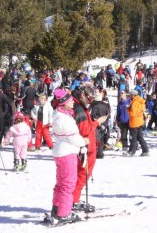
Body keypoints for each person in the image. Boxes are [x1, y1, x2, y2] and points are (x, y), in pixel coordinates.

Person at [49, 88, 86, 225]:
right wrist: (84, 142)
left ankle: (57, 209)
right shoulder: (63, 118)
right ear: (64, 102)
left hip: (62, 151)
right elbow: (72, 136)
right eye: (70, 100)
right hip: (67, 153)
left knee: (61, 183)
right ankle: (63, 213)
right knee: (68, 184)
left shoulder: (61, 114)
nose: (72, 102)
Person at [71, 88, 107, 213]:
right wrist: (97, 122)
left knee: (81, 174)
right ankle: (73, 200)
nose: (88, 99)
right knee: (83, 174)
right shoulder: (79, 110)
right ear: (81, 95)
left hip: (85, 146)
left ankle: (73, 199)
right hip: (85, 147)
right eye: (87, 96)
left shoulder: (80, 107)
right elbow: (85, 130)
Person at [125, 90, 149, 157]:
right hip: (140, 121)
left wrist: (128, 109)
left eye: (130, 95)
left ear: (133, 95)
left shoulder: (134, 102)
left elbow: (132, 114)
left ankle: (131, 152)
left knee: (133, 138)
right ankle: (145, 150)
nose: (129, 96)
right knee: (140, 137)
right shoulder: (141, 101)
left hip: (134, 122)